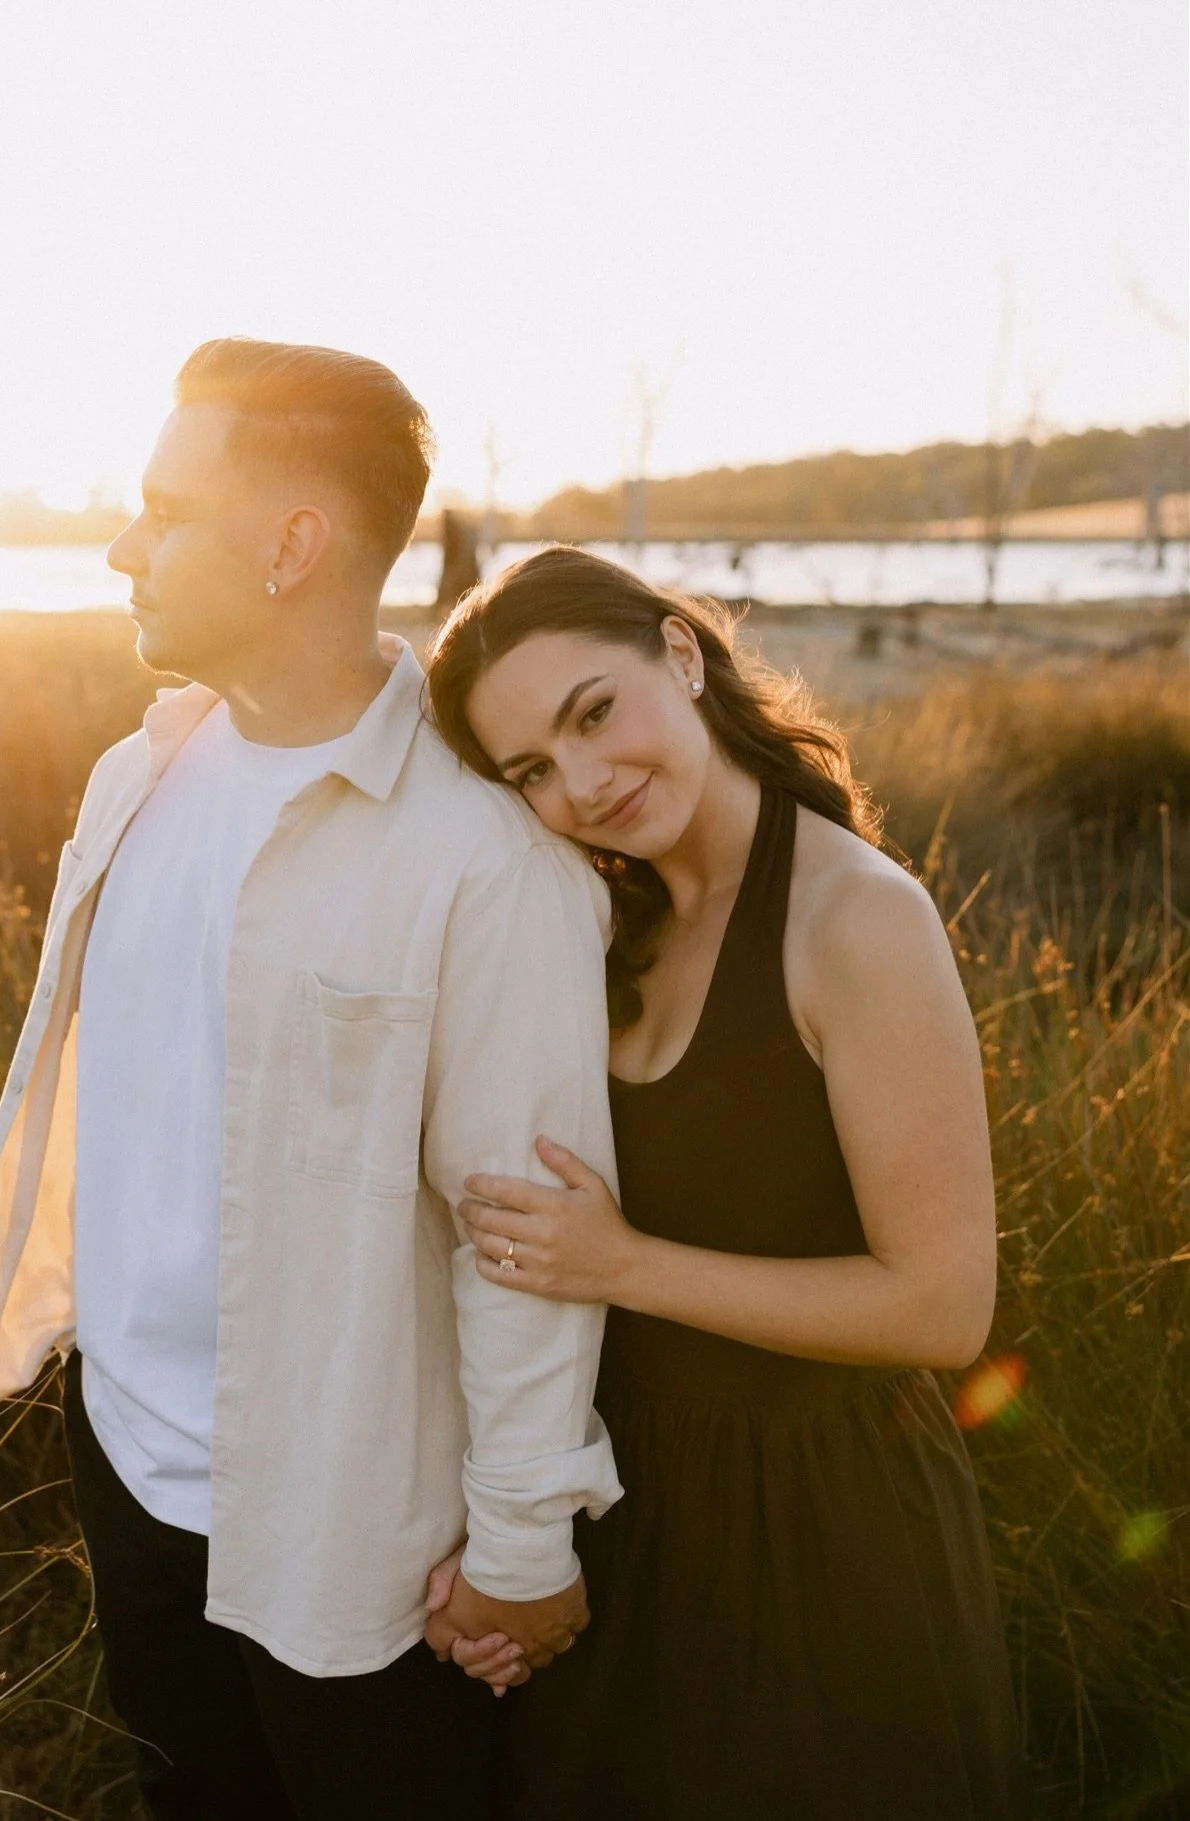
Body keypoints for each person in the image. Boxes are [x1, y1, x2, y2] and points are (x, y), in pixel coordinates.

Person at [0, 343, 623, 1820]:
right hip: (125, 1459)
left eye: (162, 508)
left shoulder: (485, 862)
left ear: (295, 544)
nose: (122, 545)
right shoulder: (143, 769)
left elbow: (526, 1233)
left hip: (352, 1523)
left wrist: (523, 1541)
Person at [422, 546, 1028, 1819]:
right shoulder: (594, 917)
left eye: (593, 712)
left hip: (815, 1536)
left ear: (681, 655)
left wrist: (624, 1262)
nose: (582, 783)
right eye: (530, 769)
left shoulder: (855, 920)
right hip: (623, 1512)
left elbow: (940, 1307)